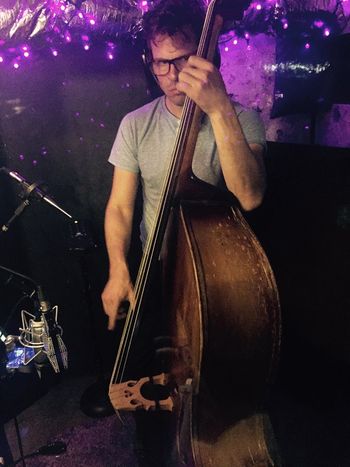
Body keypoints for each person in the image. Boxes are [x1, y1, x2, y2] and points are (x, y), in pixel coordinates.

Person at [102, 0, 267, 464]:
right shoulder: (135, 124)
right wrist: (118, 267)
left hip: (216, 280)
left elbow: (250, 195)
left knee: (215, 379)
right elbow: (119, 206)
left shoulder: (242, 118)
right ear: (150, 64)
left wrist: (218, 110)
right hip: (158, 268)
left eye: (185, 61)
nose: (174, 77)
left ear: (207, 56)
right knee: (157, 378)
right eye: (162, 64)